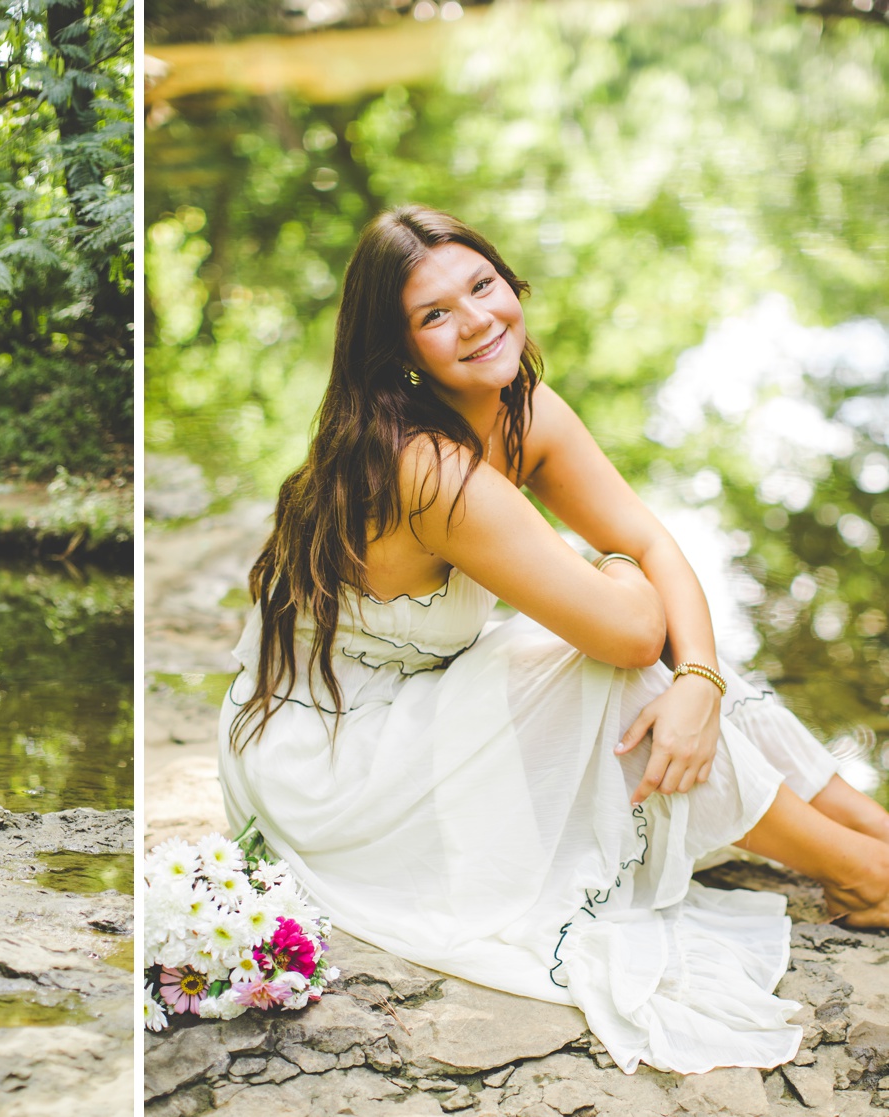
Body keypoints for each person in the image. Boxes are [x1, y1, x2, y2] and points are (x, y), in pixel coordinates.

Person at [218, 206, 889, 1075]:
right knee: (626, 674)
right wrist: (640, 613)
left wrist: (703, 680)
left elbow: (653, 544)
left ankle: (876, 838)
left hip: (421, 697)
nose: (476, 320)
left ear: (510, 282)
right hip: (331, 761)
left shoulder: (519, 406)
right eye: (434, 315)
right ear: (398, 349)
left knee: (687, 665)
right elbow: (630, 622)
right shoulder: (426, 464)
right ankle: (861, 874)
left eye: (482, 286)